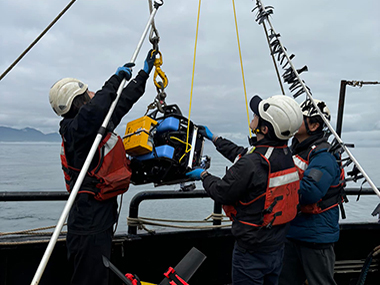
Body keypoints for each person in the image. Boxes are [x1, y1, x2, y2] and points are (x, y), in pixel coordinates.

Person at [48, 49, 157, 285]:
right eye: (86, 92)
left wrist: (142, 76)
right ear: (78, 100)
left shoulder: (93, 127)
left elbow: (120, 103)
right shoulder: (75, 130)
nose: (91, 93)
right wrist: (115, 79)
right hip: (88, 220)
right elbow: (97, 108)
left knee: (97, 274)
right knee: (89, 278)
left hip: (100, 216)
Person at [186, 95, 303, 285]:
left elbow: (222, 192)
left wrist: (203, 176)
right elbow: (241, 153)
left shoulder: (253, 163)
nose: (253, 115)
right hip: (276, 246)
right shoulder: (286, 154)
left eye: (257, 114)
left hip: (252, 253)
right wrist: (215, 138)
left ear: (264, 129)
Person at [279, 99, 344, 285]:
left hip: (315, 237)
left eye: (299, 118)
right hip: (292, 232)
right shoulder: (294, 150)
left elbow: (309, 192)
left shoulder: (324, 156)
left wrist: (276, 186)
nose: (292, 120)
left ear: (314, 125)